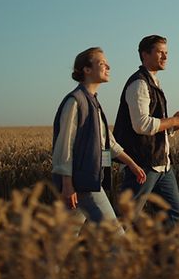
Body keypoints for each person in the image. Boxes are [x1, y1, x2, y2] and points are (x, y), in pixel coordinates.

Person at [113, 35, 179, 276]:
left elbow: (158, 130)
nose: (165, 56)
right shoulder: (138, 84)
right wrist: (173, 120)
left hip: (162, 167)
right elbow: (142, 125)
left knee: (177, 218)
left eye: (166, 52)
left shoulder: (154, 83)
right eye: (160, 52)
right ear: (145, 54)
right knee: (126, 220)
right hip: (142, 167)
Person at [52, 47, 147, 230]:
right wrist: (67, 185)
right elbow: (64, 146)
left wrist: (132, 164)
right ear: (86, 70)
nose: (108, 66)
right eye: (102, 63)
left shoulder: (93, 102)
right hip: (83, 183)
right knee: (116, 239)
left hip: (87, 180)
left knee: (64, 240)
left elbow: (108, 142)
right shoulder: (75, 101)